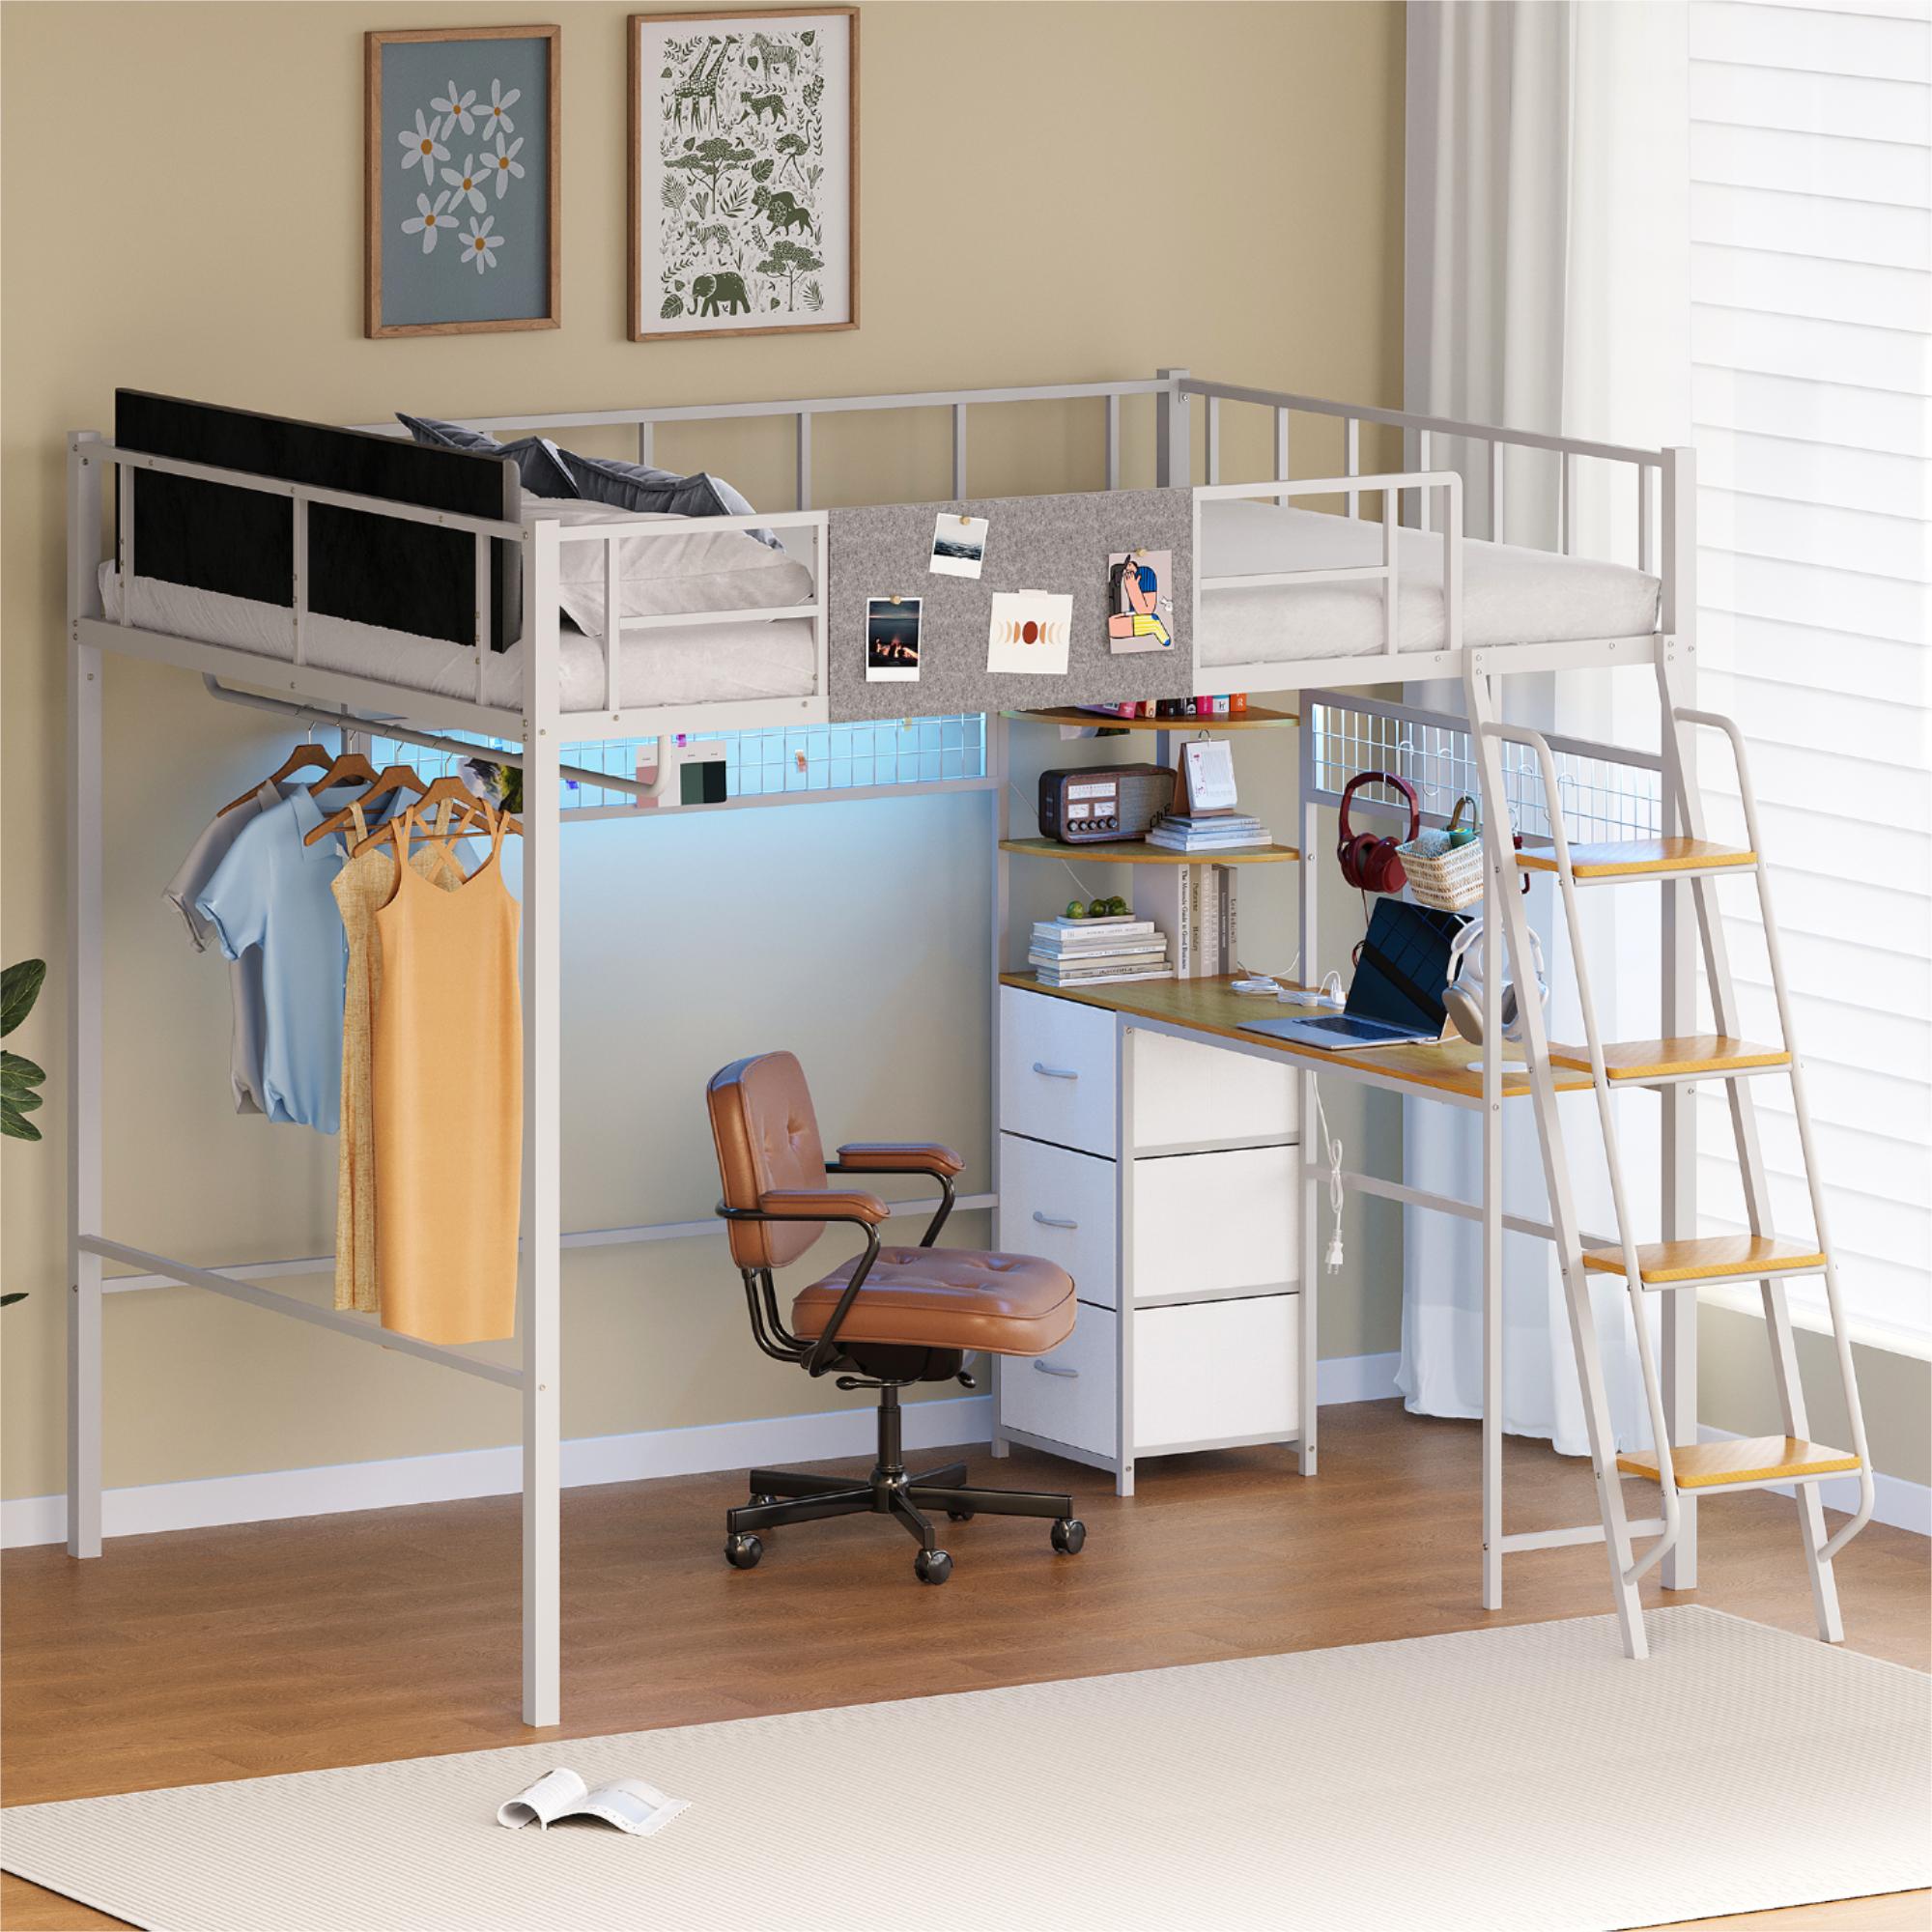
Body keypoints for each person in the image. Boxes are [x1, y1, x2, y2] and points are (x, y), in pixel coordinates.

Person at [1108, 556, 1171, 649]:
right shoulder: (1119, 575)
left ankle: (1154, 625)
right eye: (1125, 568)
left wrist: (1132, 588)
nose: (1127, 569)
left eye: (1128, 565)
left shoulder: (1146, 573)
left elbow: (1146, 610)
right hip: (1126, 615)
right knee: (1112, 625)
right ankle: (1152, 624)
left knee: (1114, 627)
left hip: (1138, 613)